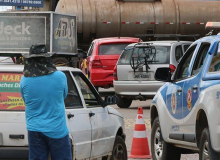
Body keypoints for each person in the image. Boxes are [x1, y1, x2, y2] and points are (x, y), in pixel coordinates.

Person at [20, 44, 72, 160]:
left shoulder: (24, 80)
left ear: (30, 60)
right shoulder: (60, 77)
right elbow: (63, 96)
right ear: (47, 59)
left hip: (34, 129)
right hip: (57, 129)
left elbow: (25, 101)